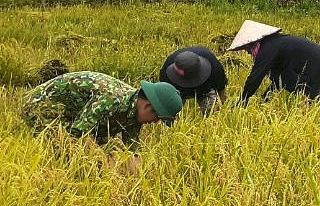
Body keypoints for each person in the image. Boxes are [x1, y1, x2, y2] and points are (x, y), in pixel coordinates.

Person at [21, 71, 182, 146]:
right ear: (147, 106)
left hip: (70, 111)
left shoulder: (135, 112)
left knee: (103, 143)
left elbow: (131, 145)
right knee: (61, 148)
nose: (154, 123)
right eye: (157, 118)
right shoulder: (112, 99)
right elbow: (76, 134)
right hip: (42, 105)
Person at [227, 20, 320, 103]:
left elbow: (255, 77)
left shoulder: (269, 48)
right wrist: (265, 99)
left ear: (252, 43)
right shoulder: (275, 44)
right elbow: (278, 81)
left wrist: (243, 101)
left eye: (246, 49)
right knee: (313, 111)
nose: (247, 52)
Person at [159, 46, 228, 115]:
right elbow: (165, 98)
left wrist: (220, 108)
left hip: (204, 89)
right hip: (178, 91)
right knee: (171, 114)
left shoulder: (213, 65)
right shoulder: (166, 71)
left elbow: (221, 89)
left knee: (211, 112)